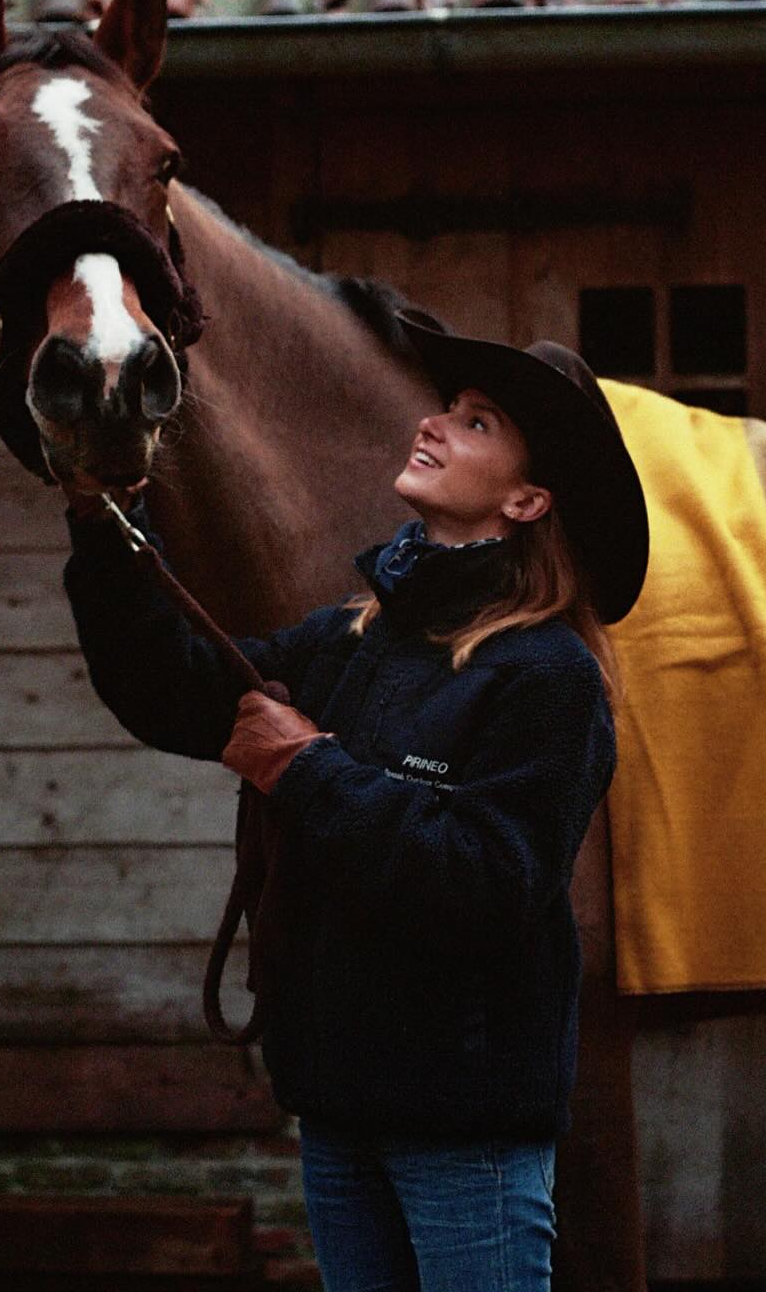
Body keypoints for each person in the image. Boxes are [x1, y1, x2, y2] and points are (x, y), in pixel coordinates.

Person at [61, 313, 649, 1292]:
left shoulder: (547, 676)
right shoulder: (350, 640)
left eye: (476, 425)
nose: (432, 426)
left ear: (527, 499)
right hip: (338, 1109)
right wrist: (99, 512)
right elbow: (175, 690)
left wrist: (306, 770)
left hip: (465, 1134)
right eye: (448, 410)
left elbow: (485, 879)